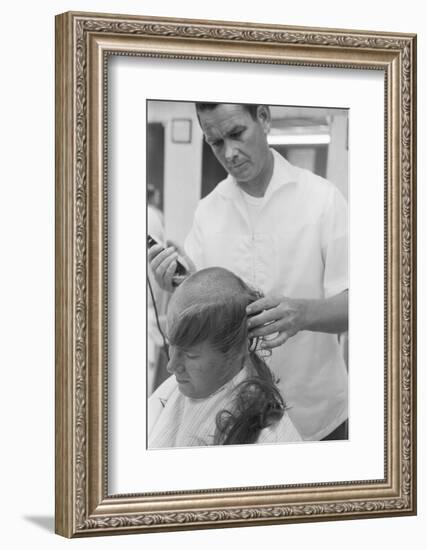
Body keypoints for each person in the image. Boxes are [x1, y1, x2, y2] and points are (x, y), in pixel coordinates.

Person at [148, 102, 348, 441]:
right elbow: (204, 303)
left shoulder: (323, 201)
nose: (230, 153)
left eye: (237, 134)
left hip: (318, 414)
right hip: (237, 421)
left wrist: (303, 313)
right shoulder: (208, 213)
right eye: (215, 142)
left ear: (264, 118)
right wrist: (178, 282)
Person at [148, 267, 301, 448]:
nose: (171, 367)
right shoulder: (184, 384)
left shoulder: (267, 441)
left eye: (191, 355)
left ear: (236, 352)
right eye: (171, 344)